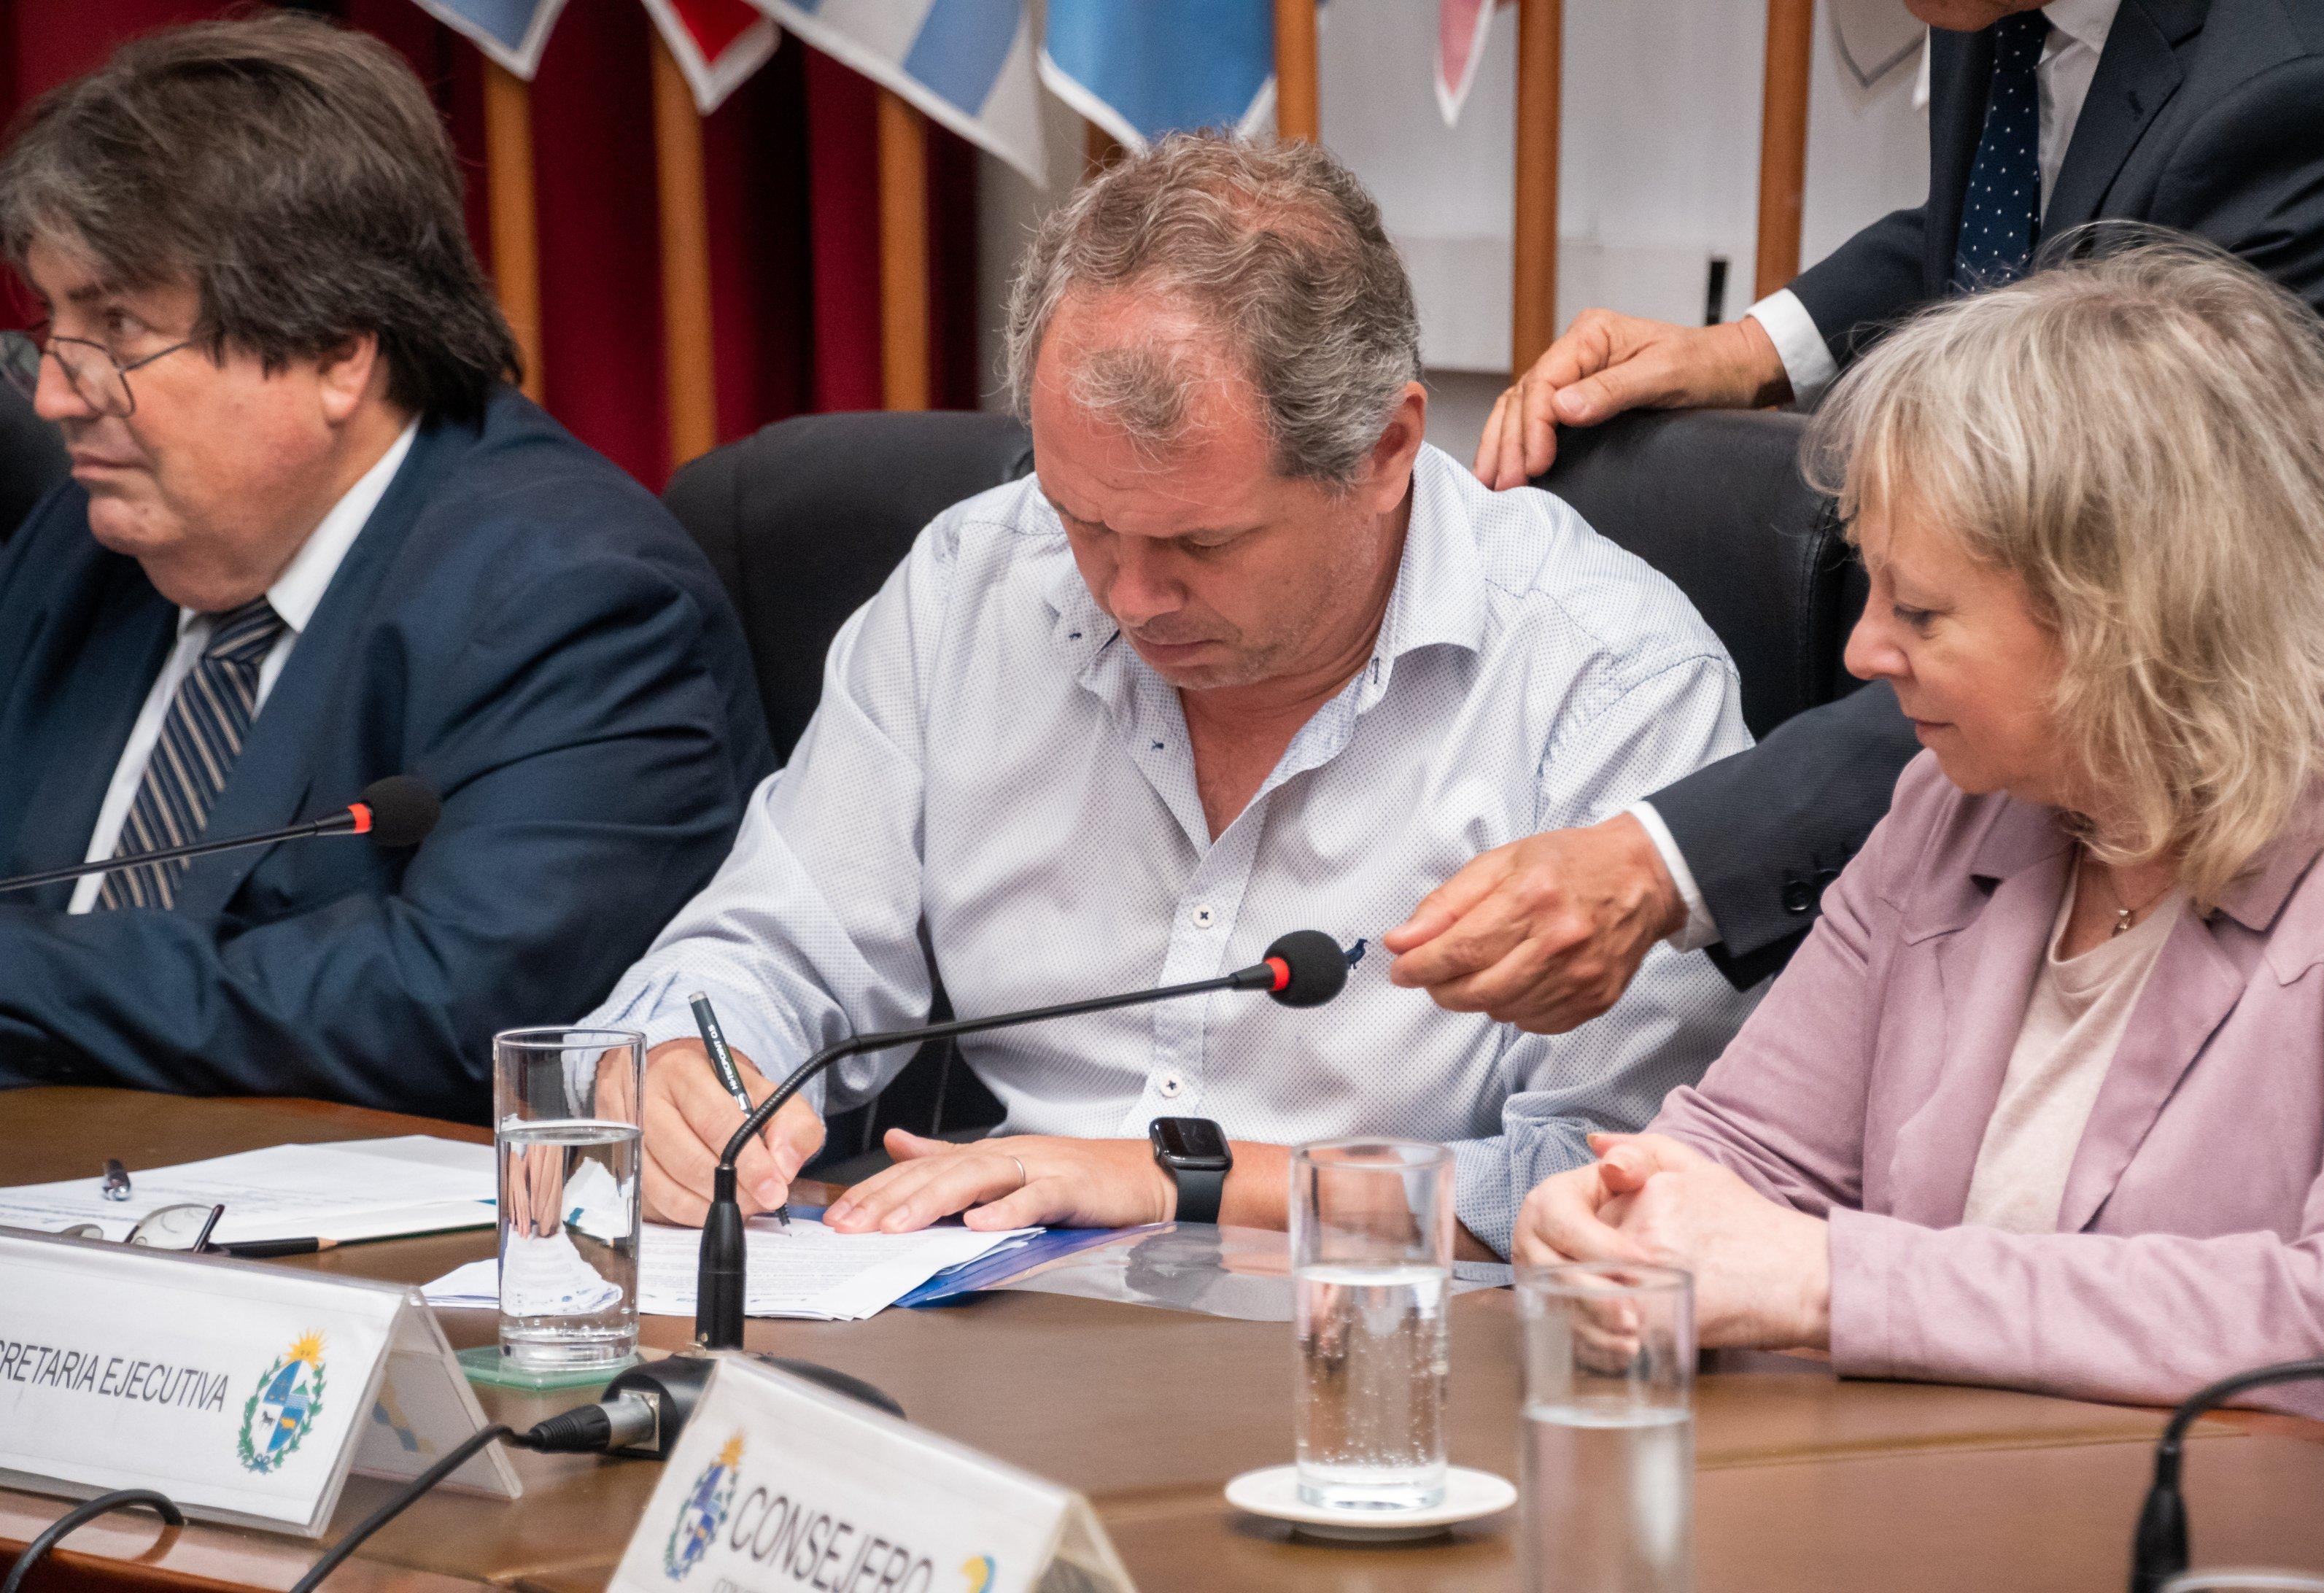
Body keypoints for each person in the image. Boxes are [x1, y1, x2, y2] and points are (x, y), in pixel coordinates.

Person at [584, 135, 1761, 1259]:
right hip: (1000, 1322)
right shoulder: (974, 583)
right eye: (1084, 520)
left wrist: (1186, 1182)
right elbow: (770, 946)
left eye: (1203, 540)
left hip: (1396, 1360)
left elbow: (1624, 1181)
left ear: (1387, 448)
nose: (1131, 596)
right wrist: (687, 1064)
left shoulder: (1607, 680)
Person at [1511, 240, 2324, 1427]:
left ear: (2131, 617)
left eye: (1918, 610)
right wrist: (1615, 1215)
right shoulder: (1952, 806)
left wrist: (1834, 1284)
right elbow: (1747, 1160)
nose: (1865, 656)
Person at [1388, 0, 2324, 1028]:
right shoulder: (1997, 16)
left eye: (1913, 615)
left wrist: (1662, 864)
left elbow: (2117, 618)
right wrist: (1757, 349)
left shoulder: (2305, 95)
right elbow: (2036, 226)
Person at [0, 18, 774, 1118]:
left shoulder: (573, 593)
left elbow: (458, 1011)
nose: (55, 393)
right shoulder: (86, 546)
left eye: (117, 330)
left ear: (335, 353)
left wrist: (21, 970)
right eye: (54, 324)